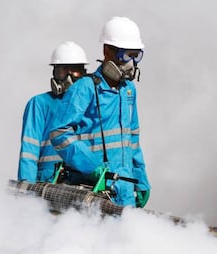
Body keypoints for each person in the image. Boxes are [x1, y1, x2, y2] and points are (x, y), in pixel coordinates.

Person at [49, 16, 151, 208]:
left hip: (124, 189)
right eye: (124, 55)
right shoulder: (85, 88)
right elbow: (59, 132)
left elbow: (133, 138)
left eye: (135, 56)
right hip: (92, 190)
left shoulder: (128, 90)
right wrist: (91, 166)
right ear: (107, 51)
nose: (130, 63)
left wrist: (141, 178)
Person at [17, 41, 89, 183]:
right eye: (62, 71)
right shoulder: (39, 104)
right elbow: (29, 152)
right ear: (54, 72)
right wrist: (26, 189)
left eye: (75, 71)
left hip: (83, 183)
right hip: (47, 184)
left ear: (84, 74)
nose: (69, 78)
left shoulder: (91, 105)